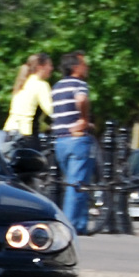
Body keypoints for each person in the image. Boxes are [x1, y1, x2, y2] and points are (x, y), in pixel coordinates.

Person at [51, 51, 95, 235]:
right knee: (76, 185)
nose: (87, 67)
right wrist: (84, 119)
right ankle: (68, 227)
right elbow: (81, 99)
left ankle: (81, 225)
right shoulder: (79, 84)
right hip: (77, 139)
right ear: (76, 67)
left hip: (60, 141)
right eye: (84, 64)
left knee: (75, 183)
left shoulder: (57, 86)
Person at [3, 53, 54, 149]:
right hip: (26, 135)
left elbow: (27, 114)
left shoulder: (21, 84)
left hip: (10, 134)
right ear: (40, 67)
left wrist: (46, 127)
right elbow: (52, 111)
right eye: (49, 65)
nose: (51, 68)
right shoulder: (41, 85)